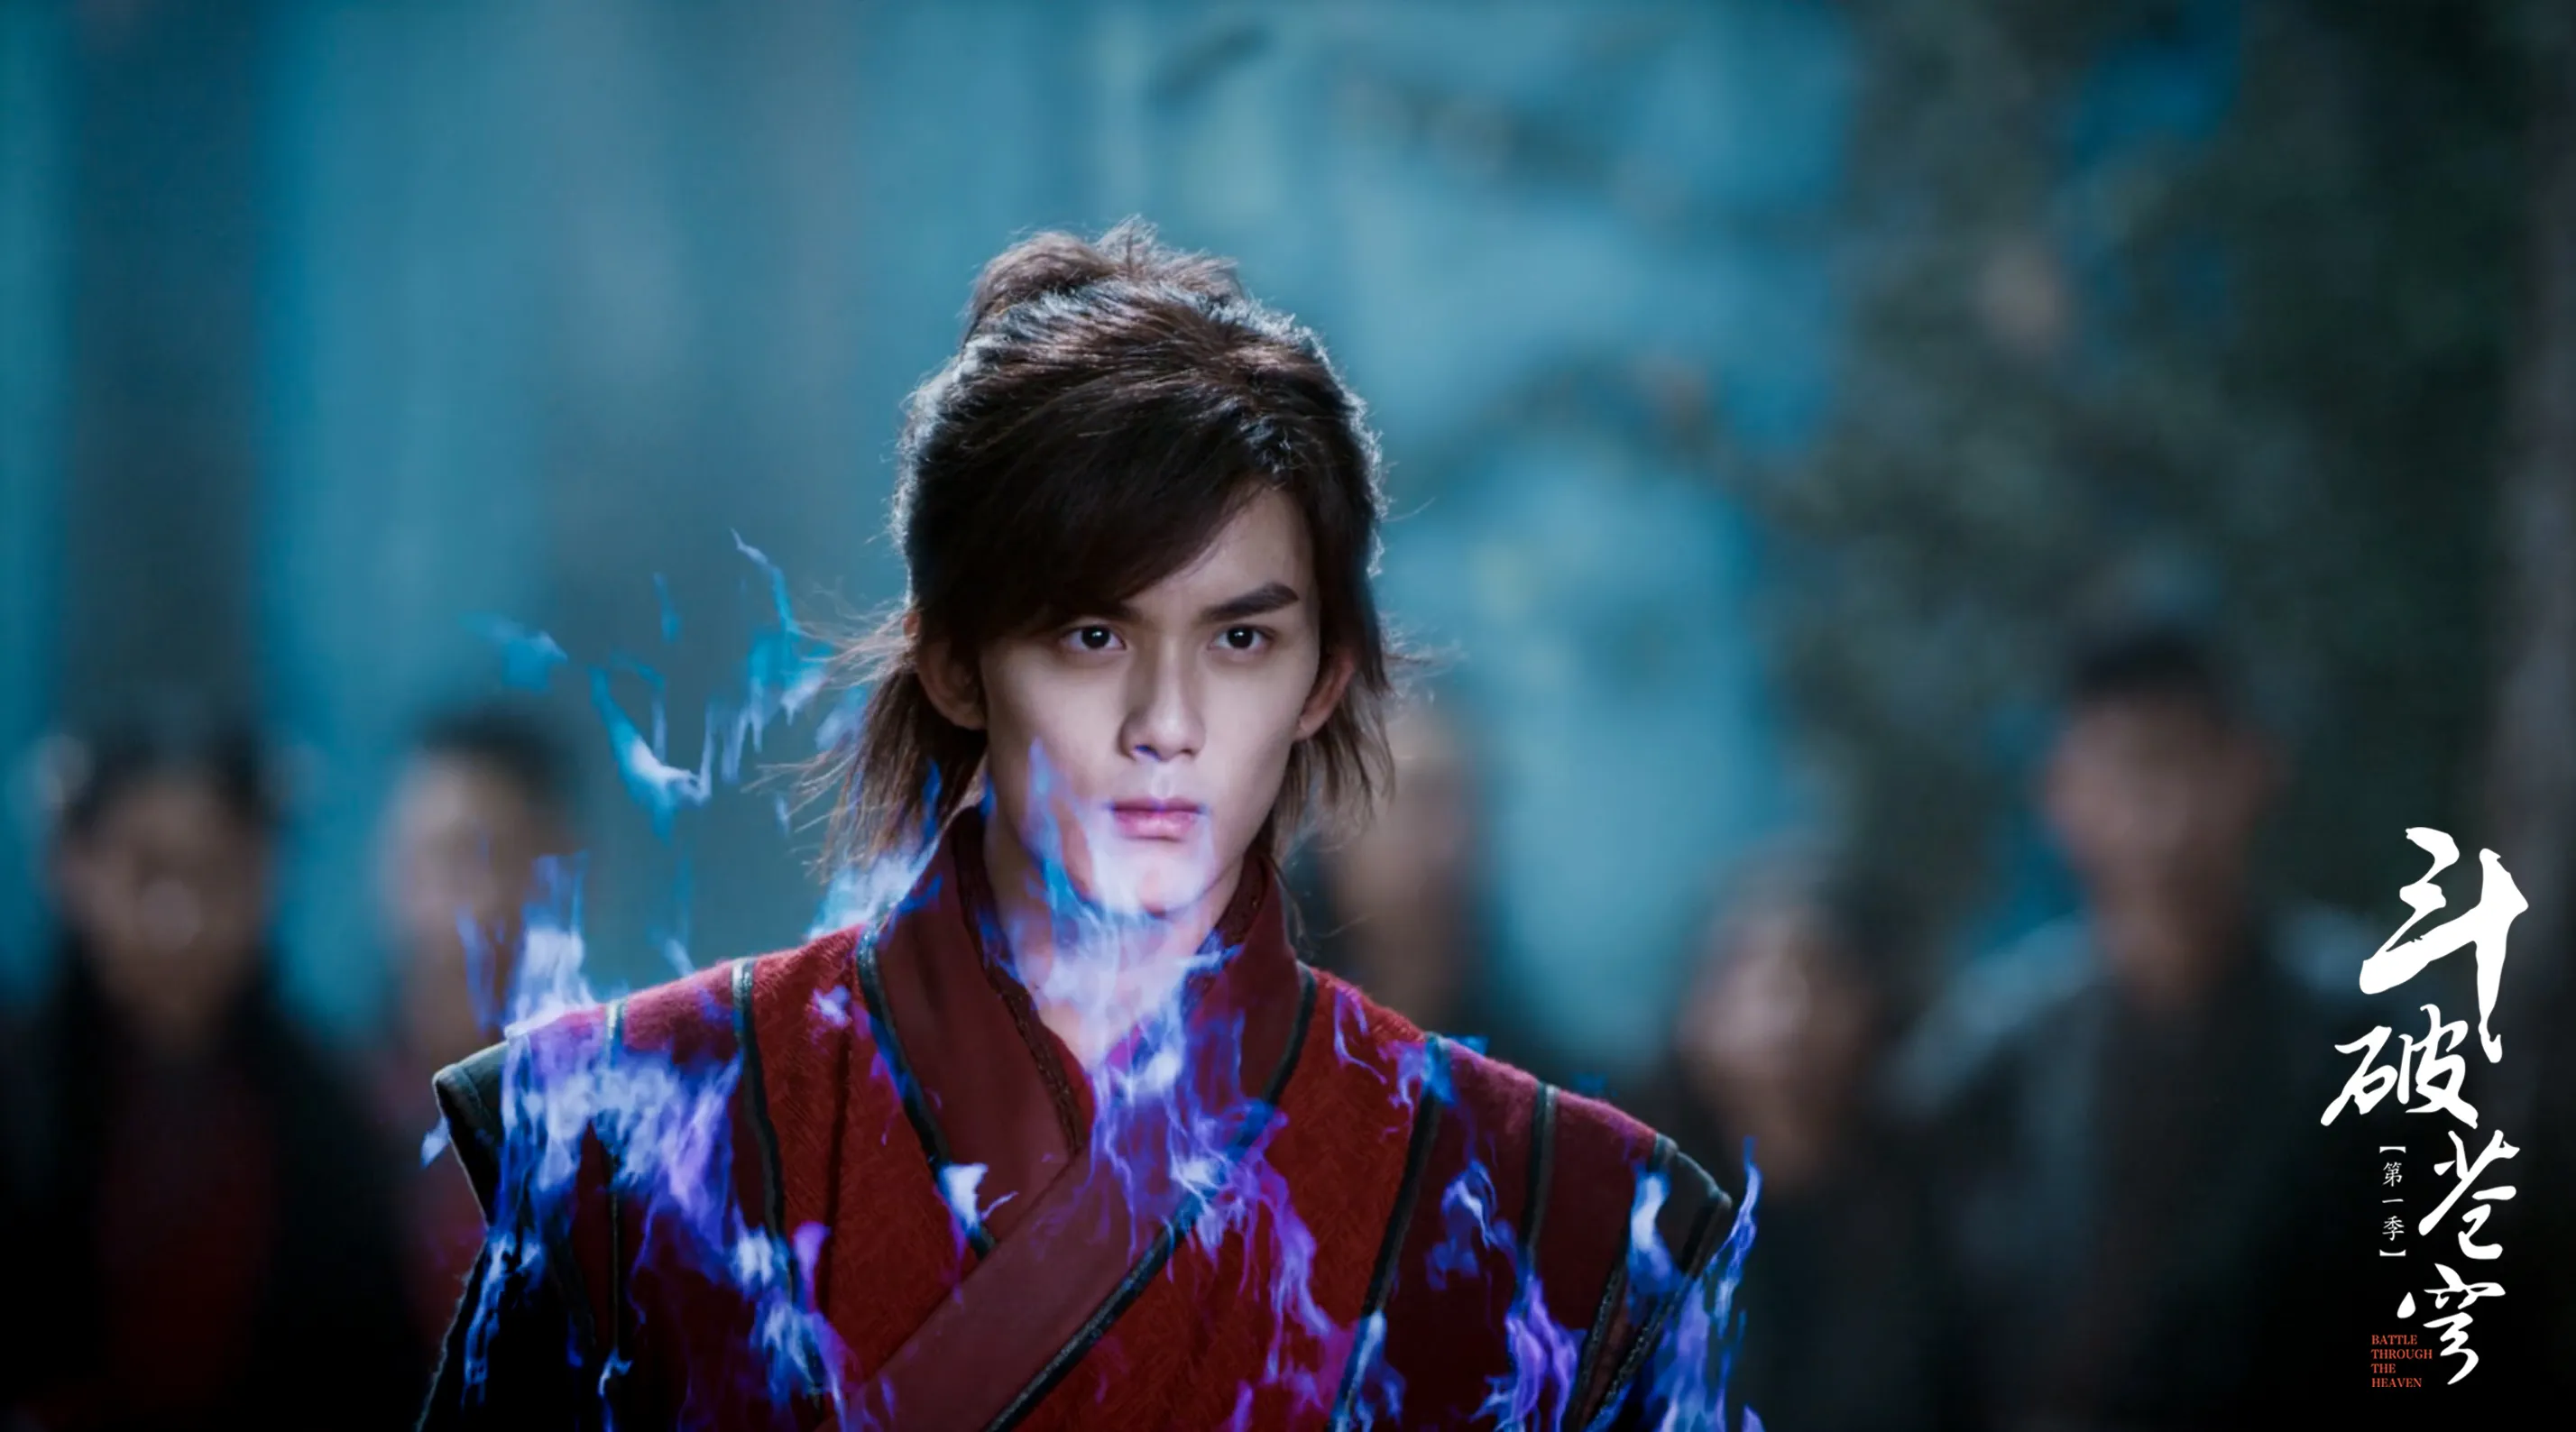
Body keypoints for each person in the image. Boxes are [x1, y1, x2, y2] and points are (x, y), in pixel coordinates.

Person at [418, 222, 1737, 1431]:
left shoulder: (1549, 1217)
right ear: (954, 662)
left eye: (1240, 639)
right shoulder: (635, 1131)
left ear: (1323, 679)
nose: (1167, 723)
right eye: (1093, 634)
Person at [1891, 622, 2388, 1429]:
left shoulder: (2374, 1036)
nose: (2160, 809)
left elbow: (2423, 1314)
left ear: (2254, 770)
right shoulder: (1988, 1058)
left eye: (2184, 761)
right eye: (2124, 768)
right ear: (2060, 797)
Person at [0, 705, 422, 1429]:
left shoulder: (336, 1135)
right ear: (71, 871)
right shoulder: (16, 1101)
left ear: (268, 880)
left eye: (216, 874)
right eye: (146, 872)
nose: (180, 919)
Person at [1637, 850, 1952, 1432]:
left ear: (1882, 1006)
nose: (1786, 1017)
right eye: (1747, 978)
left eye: (1823, 975)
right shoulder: (1634, 1204)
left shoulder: (1942, 1203)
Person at [373, 703, 583, 1355]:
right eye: (418, 863)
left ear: (560, 878)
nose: (438, 906)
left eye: (472, 862)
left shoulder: (613, 1124)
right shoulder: (333, 1117)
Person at [1289, 699, 1541, 1074]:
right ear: (1333, 809)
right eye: (1420, 799)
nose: (1450, 841)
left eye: (1468, 805)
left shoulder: (1516, 1062)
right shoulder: (1255, 1012)